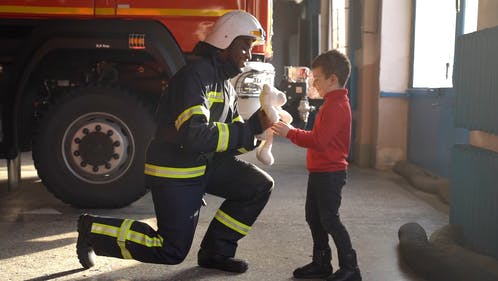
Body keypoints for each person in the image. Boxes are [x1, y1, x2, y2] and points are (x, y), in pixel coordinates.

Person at [76, 10, 274, 274]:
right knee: (169, 250)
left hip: (203, 164)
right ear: (225, 41)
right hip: (176, 169)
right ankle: (93, 230)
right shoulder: (195, 77)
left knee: (258, 186)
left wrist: (257, 133)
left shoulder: (225, 83)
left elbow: (229, 137)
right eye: (244, 46)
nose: (248, 54)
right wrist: (248, 129)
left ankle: (216, 252)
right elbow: (193, 135)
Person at [272, 49, 361, 281]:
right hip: (320, 171)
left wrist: (290, 132)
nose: (314, 84)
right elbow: (318, 136)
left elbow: (318, 141)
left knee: (330, 219)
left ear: (333, 79)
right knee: (314, 217)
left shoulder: (336, 106)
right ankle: (321, 262)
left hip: (331, 173)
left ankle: (351, 268)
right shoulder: (331, 103)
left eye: (317, 79)